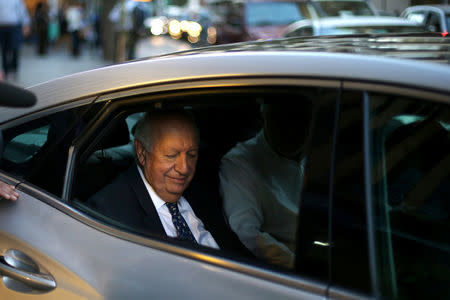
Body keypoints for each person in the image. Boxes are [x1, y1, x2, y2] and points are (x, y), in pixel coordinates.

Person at [88, 110, 249, 253]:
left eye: (192, 154)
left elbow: (238, 253)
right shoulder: (107, 216)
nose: (184, 168)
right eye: (171, 155)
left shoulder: (202, 190)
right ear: (142, 152)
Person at [219, 102, 312, 268]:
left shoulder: (324, 150)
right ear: (264, 114)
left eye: (300, 119)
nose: (291, 129)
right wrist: (299, 266)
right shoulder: (240, 163)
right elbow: (246, 234)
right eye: (281, 119)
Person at [0, 0, 30, 81]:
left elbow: (22, 12)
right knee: (4, 49)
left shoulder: (17, 0)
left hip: (14, 27)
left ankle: (14, 69)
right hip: (2, 27)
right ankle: (5, 71)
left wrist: (26, 25)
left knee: (15, 48)